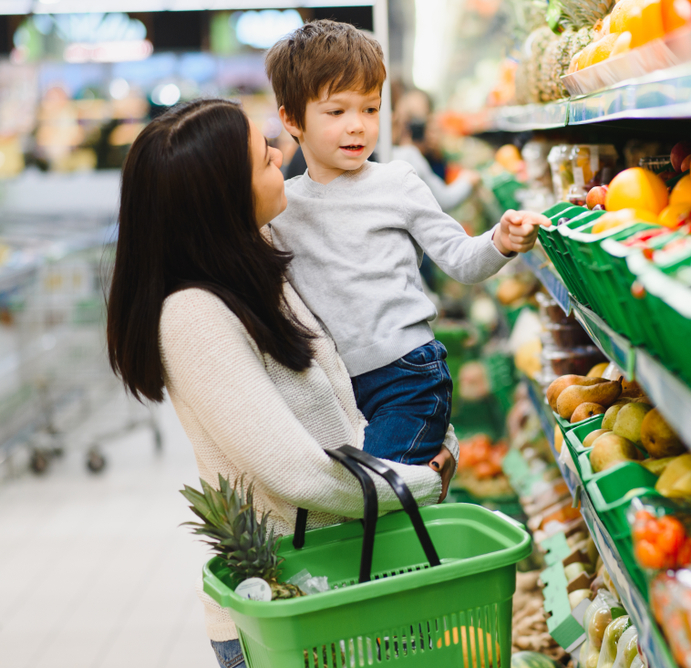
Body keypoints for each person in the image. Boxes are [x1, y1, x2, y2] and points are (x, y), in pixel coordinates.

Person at [105, 98, 458, 668]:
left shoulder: (260, 262)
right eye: (261, 154)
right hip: (286, 610)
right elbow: (296, 470)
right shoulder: (194, 316)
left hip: (337, 579)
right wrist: (421, 481)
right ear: (222, 198)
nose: (280, 153)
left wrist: (428, 437)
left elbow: (340, 410)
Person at [264, 20, 547, 468]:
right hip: (336, 388)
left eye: (370, 110)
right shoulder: (284, 206)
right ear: (292, 119)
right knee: (359, 505)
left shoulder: (398, 183)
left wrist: (501, 240)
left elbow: (460, 260)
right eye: (336, 112)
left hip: (407, 377)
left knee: (373, 496)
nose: (357, 126)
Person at [393, 88, 478, 212]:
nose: (412, 126)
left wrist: (437, 151)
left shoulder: (433, 151)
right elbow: (443, 200)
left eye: (418, 120)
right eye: (408, 118)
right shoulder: (396, 153)